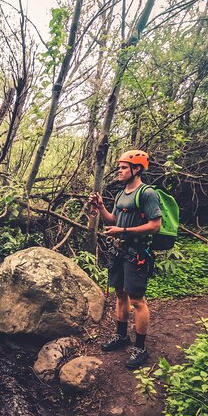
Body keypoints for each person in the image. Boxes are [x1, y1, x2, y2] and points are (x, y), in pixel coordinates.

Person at [89, 149, 162, 369]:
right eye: (119, 167)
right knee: (120, 295)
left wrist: (124, 230)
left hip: (137, 253)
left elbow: (155, 225)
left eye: (123, 167)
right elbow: (113, 220)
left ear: (137, 169)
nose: (119, 171)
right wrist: (101, 207)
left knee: (137, 301)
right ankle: (122, 337)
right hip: (119, 251)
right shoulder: (121, 194)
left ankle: (140, 348)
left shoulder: (147, 193)